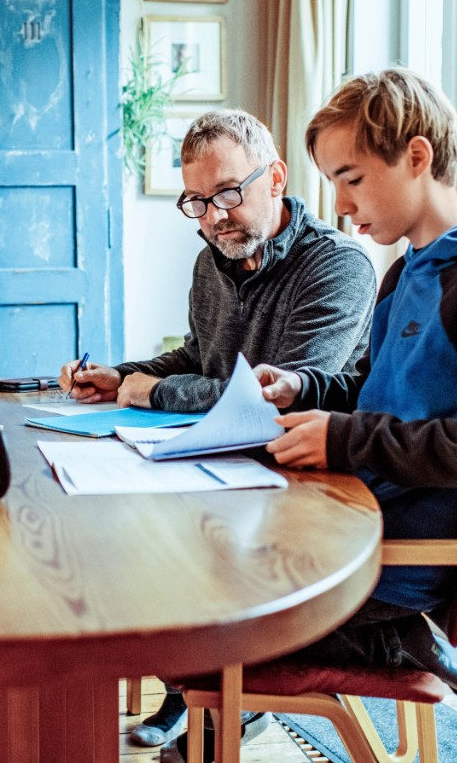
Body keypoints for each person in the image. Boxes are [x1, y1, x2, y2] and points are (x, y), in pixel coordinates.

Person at [162, 69, 457, 762]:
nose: (339, 204)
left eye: (353, 178)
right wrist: (307, 389)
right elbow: (370, 390)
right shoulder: (409, 270)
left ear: (418, 157)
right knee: (171, 574)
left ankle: (394, 638)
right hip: (353, 534)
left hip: (390, 570)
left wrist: (348, 437)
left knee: (172, 623)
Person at [60, 109, 377, 748]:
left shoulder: (338, 267)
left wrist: (149, 393)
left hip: (298, 485)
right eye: (198, 202)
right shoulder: (214, 261)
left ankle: (220, 692)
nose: (214, 217)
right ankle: (195, 689)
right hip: (218, 469)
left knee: (161, 555)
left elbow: (267, 402)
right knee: (103, 538)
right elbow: (198, 359)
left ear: (277, 178)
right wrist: (120, 376)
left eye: (229, 193)